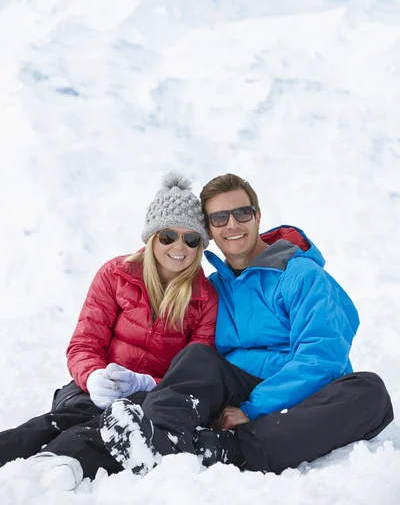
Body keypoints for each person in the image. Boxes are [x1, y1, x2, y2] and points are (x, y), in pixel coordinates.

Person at [100, 172, 393, 477]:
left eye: (242, 213)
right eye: (219, 218)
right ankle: (162, 439)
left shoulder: (301, 276)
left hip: (305, 400)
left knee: (370, 392)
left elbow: (322, 359)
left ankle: (225, 449)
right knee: (196, 357)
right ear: (209, 231)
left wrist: (253, 409)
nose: (232, 224)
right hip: (236, 391)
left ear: (257, 217)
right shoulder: (214, 289)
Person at [0, 172, 218, 489]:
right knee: (71, 415)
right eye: (169, 236)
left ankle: (57, 464)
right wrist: (93, 377)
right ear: (153, 236)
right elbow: (84, 344)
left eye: (192, 238)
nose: (179, 247)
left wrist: (146, 383)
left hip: (150, 398)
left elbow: (194, 375)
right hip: (91, 387)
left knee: (120, 422)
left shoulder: (205, 299)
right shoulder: (116, 274)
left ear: (200, 245)